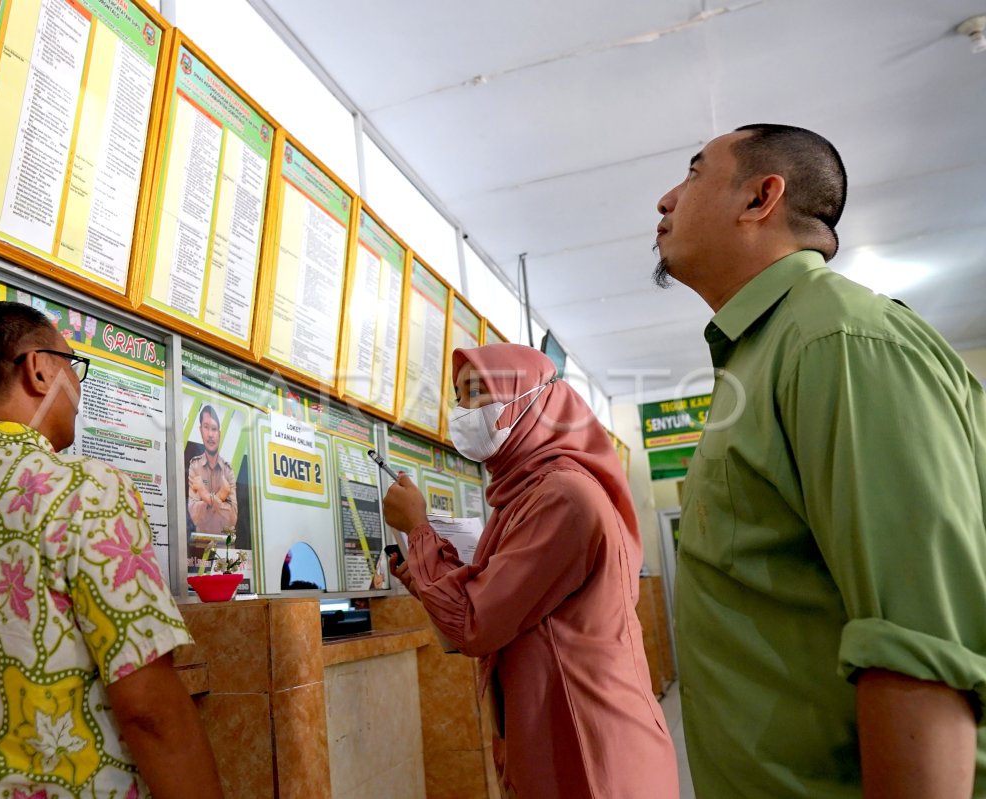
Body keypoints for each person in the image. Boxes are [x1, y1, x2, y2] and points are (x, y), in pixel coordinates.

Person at [654, 123, 986, 797]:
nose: (665, 199)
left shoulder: (836, 339)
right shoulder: (764, 353)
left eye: (692, 174)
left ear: (760, 198)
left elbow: (919, 649)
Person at [0, 302, 222, 799]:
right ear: (39, 368)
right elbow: (149, 709)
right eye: (73, 366)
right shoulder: (87, 493)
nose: (77, 389)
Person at [384, 343, 678, 798]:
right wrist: (421, 572)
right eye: (459, 397)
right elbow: (501, 608)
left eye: (479, 392)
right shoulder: (523, 495)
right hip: (558, 734)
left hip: (591, 746)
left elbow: (474, 624)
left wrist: (420, 530)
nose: (463, 410)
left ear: (532, 400)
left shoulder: (561, 497)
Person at [187, 405, 238, 535]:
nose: (210, 434)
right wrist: (220, 496)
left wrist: (205, 495)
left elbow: (232, 519)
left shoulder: (228, 471)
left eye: (214, 429)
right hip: (200, 548)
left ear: (219, 434)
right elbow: (194, 516)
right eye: (206, 427)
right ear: (200, 430)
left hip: (224, 550)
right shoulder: (195, 467)